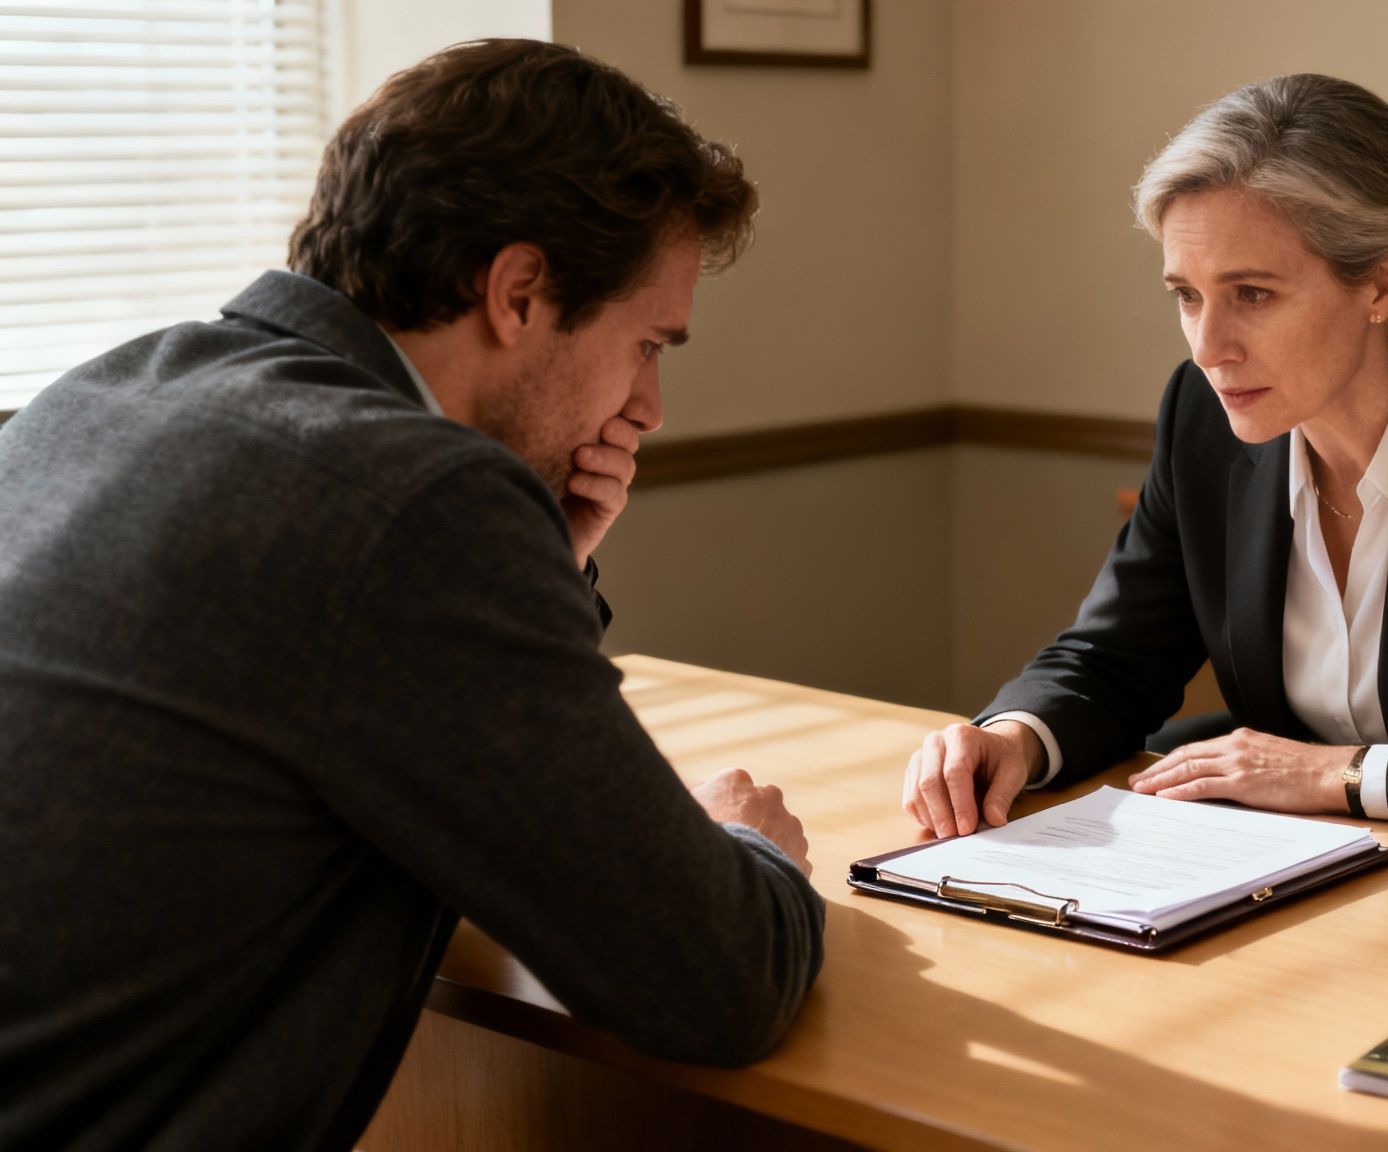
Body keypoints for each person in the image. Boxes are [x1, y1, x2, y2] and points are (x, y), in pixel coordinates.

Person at [0, 40, 823, 1151]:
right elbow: (713, 982)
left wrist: (547, 558)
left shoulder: (102, 394)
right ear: (519, 292)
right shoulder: (410, 496)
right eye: (646, 343)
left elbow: (442, 746)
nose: (652, 404)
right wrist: (755, 850)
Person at [904, 74, 1388, 853]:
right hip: (1307, 876)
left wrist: (1338, 776)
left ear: (1384, 281)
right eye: (1186, 295)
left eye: (1251, 293)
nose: (1209, 348)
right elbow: (1116, 656)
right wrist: (1012, 736)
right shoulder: (1202, 415)